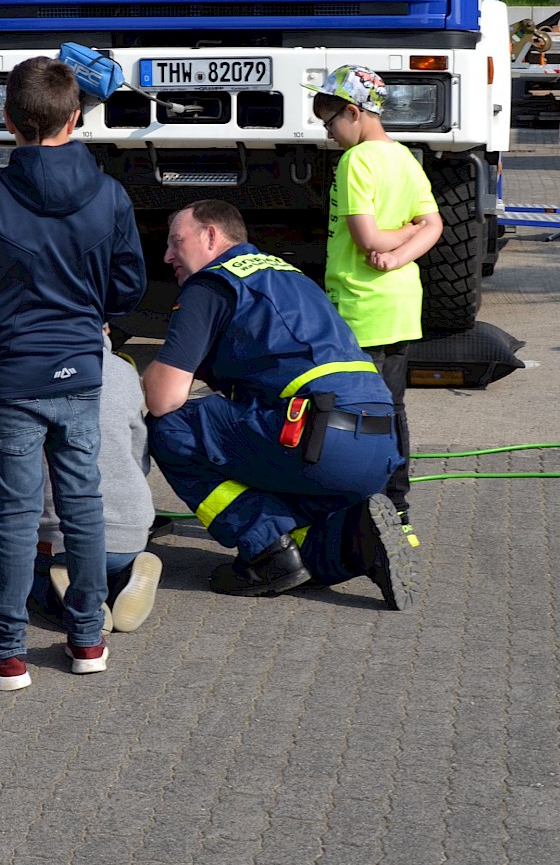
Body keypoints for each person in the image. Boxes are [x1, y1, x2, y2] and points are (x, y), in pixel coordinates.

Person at [0, 56, 147, 691]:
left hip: (12, 371)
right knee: (83, 500)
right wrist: (95, 326)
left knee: (17, 511)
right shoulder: (109, 194)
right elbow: (130, 283)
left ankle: (5, 651)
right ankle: (87, 638)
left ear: (6, 121)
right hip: (80, 366)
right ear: (76, 117)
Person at [143, 200, 415, 607]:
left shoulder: (212, 284)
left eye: (176, 242)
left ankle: (265, 550)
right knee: (303, 550)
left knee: (170, 426)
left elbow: (164, 397)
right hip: (378, 447)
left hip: (316, 439)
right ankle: (355, 542)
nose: (167, 256)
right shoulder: (290, 277)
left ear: (211, 236)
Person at [308, 67, 442, 533]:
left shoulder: (357, 162)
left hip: (360, 307)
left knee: (352, 410)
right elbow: (434, 225)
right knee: (394, 407)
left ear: (353, 111)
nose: (329, 135)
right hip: (401, 306)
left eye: (330, 123)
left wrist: (388, 247)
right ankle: (397, 508)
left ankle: (356, 506)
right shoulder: (406, 158)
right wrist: (405, 247)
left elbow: (366, 238)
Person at [33, 332, 162, 635]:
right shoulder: (124, 370)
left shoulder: (26, 368)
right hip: (129, 530)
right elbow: (140, 455)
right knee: (111, 554)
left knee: (29, 576)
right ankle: (127, 573)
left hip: (60, 537)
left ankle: (63, 596)